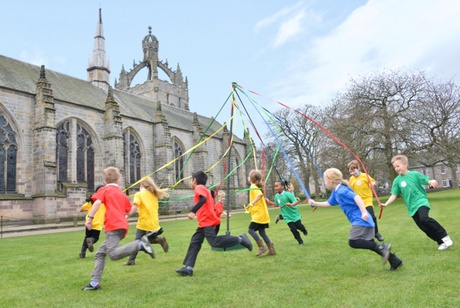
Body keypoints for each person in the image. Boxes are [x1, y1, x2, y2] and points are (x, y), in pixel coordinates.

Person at [308, 168, 403, 271]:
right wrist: (315, 203)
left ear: (331, 181)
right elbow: (329, 203)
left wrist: (363, 212)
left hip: (361, 219)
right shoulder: (337, 191)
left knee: (353, 242)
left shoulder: (341, 190)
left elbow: (357, 198)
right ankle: (395, 261)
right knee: (370, 244)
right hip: (364, 220)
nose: (325, 183)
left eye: (325, 180)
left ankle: (383, 247)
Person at [82, 167, 154, 291]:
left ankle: (140, 244)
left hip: (113, 226)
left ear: (104, 181)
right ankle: (94, 283)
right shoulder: (122, 194)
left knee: (113, 254)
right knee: (100, 254)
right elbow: (130, 211)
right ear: (119, 180)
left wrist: (90, 218)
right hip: (122, 226)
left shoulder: (104, 190)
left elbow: (97, 203)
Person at [176, 171, 253, 277]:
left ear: (194, 180)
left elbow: (203, 199)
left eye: (191, 180)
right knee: (195, 242)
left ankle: (240, 239)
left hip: (208, 221)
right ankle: (188, 268)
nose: (190, 182)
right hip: (204, 223)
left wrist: (193, 211)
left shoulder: (199, 188)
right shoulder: (205, 189)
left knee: (214, 242)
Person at [381, 155, 453, 251]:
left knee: (424, 218)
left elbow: (427, 180)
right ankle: (441, 242)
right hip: (411, 207)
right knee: (424, 228)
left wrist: (432, 181)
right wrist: (386, 204)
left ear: (405, 165)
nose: (396, 169)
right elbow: (394, 195)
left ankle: (444, 236)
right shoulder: (397, 181)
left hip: (421, 201)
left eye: (398, 166)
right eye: (395, 167)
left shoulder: (415, 174)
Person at [124, 177, 170, 266]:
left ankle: (131, 261)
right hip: (154, 222)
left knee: (136, 241)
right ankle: (160, 240)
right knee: (150, 239)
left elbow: (134, 207)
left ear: (141, 185)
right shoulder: (154, 194)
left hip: (143, 222)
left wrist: (127, 215)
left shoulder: (139, 195)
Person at [347, 160, 384, 242]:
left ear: (358, 168)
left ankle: (376, 233)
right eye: (350, 172)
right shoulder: (351, 179)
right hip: (358, 202)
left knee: (371, 216)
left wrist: (372, 184)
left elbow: (373, 182)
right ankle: (367, 236)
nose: (352, 173)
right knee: (362, 219)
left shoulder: (365, 176)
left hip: (367, 200)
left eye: (354, 170)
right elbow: (350, 190)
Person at [246, 170, 276, 256]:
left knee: (250, 230)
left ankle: (262, 247)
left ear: (251, 179)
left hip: (259, 214)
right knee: (262, 232)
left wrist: (251, 203)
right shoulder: (256, 186)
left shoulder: (252, 186)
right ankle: (272, 250)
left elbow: (259, 195)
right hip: (262, 213)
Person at [273, 180, 308, 245]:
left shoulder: (287, 194)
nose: (275, 188)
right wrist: (266, 201)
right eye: (275, 186)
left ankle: (303, 229)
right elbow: (275, 205)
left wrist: (291, 204)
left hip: (294, 214)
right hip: (287, 217)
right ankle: (300, 241)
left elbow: (295, 201)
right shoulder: (276, 196)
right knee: (293, 229)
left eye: (277, 186)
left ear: (282, 187)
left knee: (299, 226)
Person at [79, 185, 106, 258]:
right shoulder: (104, 202)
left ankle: (82, 253)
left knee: (86, 237)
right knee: (95, 237)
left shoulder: (90, 201)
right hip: (97, 223)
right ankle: (91, 240)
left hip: (89, 222)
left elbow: (81, 209)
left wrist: (85, 209)